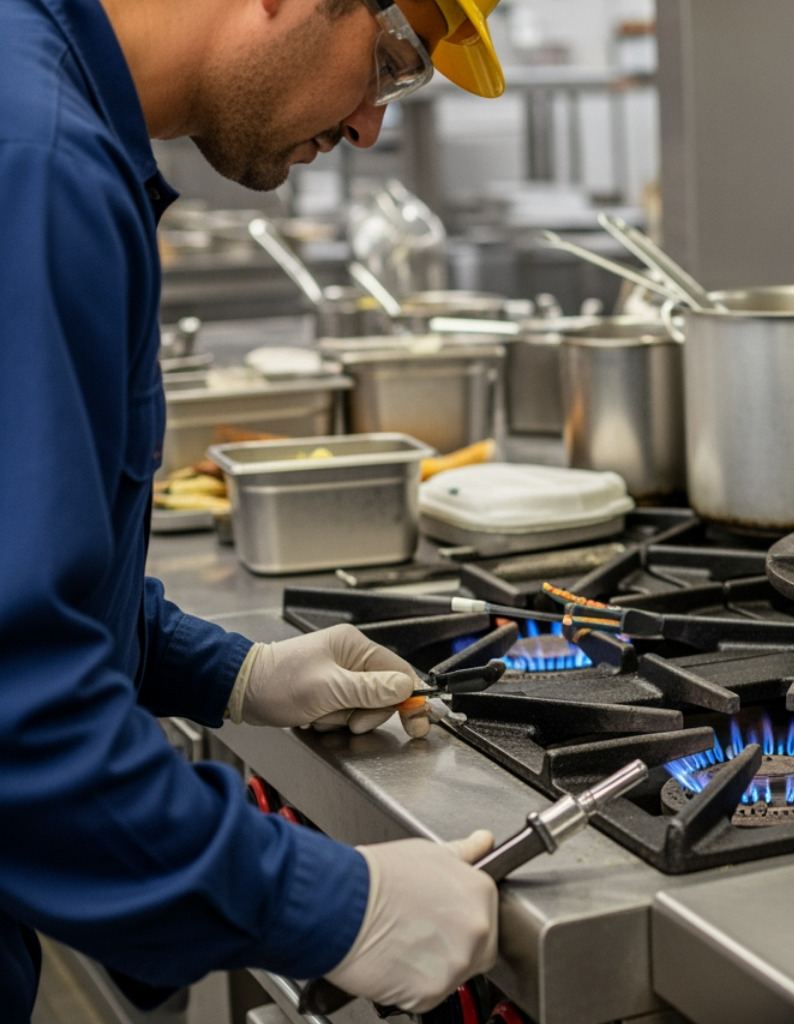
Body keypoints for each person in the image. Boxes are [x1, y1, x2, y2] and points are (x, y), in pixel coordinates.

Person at [0, 0, 509, 1012]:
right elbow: (15, 707)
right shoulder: (39, 163)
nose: (370, 122)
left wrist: (229, 670)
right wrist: (330, 903)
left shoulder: (44, 107)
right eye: (393, 59)